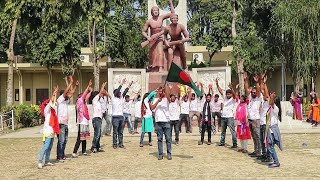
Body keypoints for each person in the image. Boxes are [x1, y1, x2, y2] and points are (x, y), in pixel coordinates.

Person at [142, 0, 175, 72]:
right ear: (152, 12)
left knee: (160, 52)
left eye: (157, 10)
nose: (156, 11)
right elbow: (143, 31)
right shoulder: (149, 21)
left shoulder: (161, 17)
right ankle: (152, 67)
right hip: (152, 38)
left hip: (160, 38)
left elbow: (172, 13)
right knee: (152, 54)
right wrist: (148, 37)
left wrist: (171, 3)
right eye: (154, 10)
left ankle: (160, 67)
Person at [262, 75, 283, 168]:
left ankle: (276, 162)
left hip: (272, 130)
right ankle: (274, 160)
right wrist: (264, 83)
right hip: (270, 129)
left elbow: (270, 100)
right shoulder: (270, 107)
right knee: (270, 146)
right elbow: (266, 95)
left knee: (270, 146)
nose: (269, 99)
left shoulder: (276, 108)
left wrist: (271, 97)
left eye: (272, 99)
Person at [56, 76, 78, 162]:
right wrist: (71, 82)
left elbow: (71, 93)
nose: (69, 94)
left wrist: (75, 86)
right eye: (67, 93)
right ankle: (59, 156)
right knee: (61, 140)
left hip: (65, 123)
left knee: (65, 140)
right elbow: (66, 92)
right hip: (60, 123)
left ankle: (62, 154)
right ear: (63, 95)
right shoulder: (60, 100)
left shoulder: (65, 101)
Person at [38, 85, 60, 169]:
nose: (54, 103)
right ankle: (40, 161)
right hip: (47, 131)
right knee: (45, 146)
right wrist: (55, 92)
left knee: (50, 147)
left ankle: (47, 161)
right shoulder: (47, 109)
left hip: (52, 131)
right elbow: (51, 100)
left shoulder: (53, 111)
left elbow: (53, 101)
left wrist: (56, 93)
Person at [72, 80, 92, 158]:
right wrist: (88, 86)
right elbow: (84, 94)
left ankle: (84, 151)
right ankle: (74, 152)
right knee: (80, 138)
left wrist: (90, 92)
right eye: (82, 96)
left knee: (84, 137)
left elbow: (87, 96)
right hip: (81, 122)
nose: (84, 96)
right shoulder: (79, 101)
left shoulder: (83, 102)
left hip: (85, 122)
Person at [244, 73, 262, 157]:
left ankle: (259, 152)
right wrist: (245, 80)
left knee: (258, 136)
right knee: (254, 136)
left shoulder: (259, 97)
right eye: (252, 92)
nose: (253, 93)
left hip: (256, 119)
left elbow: (258, 90)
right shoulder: (250, 97)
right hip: (250, 119)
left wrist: (257, 82)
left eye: (254, 92)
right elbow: (246, 89)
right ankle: (255, 151)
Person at [216, 79, 237, 148]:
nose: (228, 95)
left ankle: (234, 144)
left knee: (232, 131)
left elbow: (234, 95)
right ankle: (222, 142)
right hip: (223, 116)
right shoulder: (225, 98)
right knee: (223, 131)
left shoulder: (233, 99)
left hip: (230, 117)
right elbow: (220, 91)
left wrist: (231, 88)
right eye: (227, 94)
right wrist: (217, 84)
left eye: (229, 94)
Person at [91, 82, 110, 153]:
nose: (101, 94)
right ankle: (93, 147)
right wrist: (103, 85)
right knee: (97, 133)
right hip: (96, 119)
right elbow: (101, 92)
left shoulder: (98, 102)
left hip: (99, 118)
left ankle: (97, 147)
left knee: (98, 133)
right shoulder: (95, 100)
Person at [112, 79, 131, 149]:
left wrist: (129, 85)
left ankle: (120, 143)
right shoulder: (113, 98)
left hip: (121, 117)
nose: (120, 93)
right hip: (115, 117)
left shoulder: (121, 98)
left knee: (121, 131)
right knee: (115, 132)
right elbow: (117, 91)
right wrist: (121, 84)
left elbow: (125, 91)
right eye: (119, 92)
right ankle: (114, 144)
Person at [154, 86, 172, 160]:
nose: (161, 93)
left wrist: (167, 89)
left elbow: (169, 98)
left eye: (162, 91)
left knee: (168, 139)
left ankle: (169, 153)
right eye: (160, 91)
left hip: (166, 121)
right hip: (158, 122)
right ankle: (160, 154)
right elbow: (152, 108)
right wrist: (158, 101)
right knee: (159, 139)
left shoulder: (166, 99)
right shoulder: (155, 99)